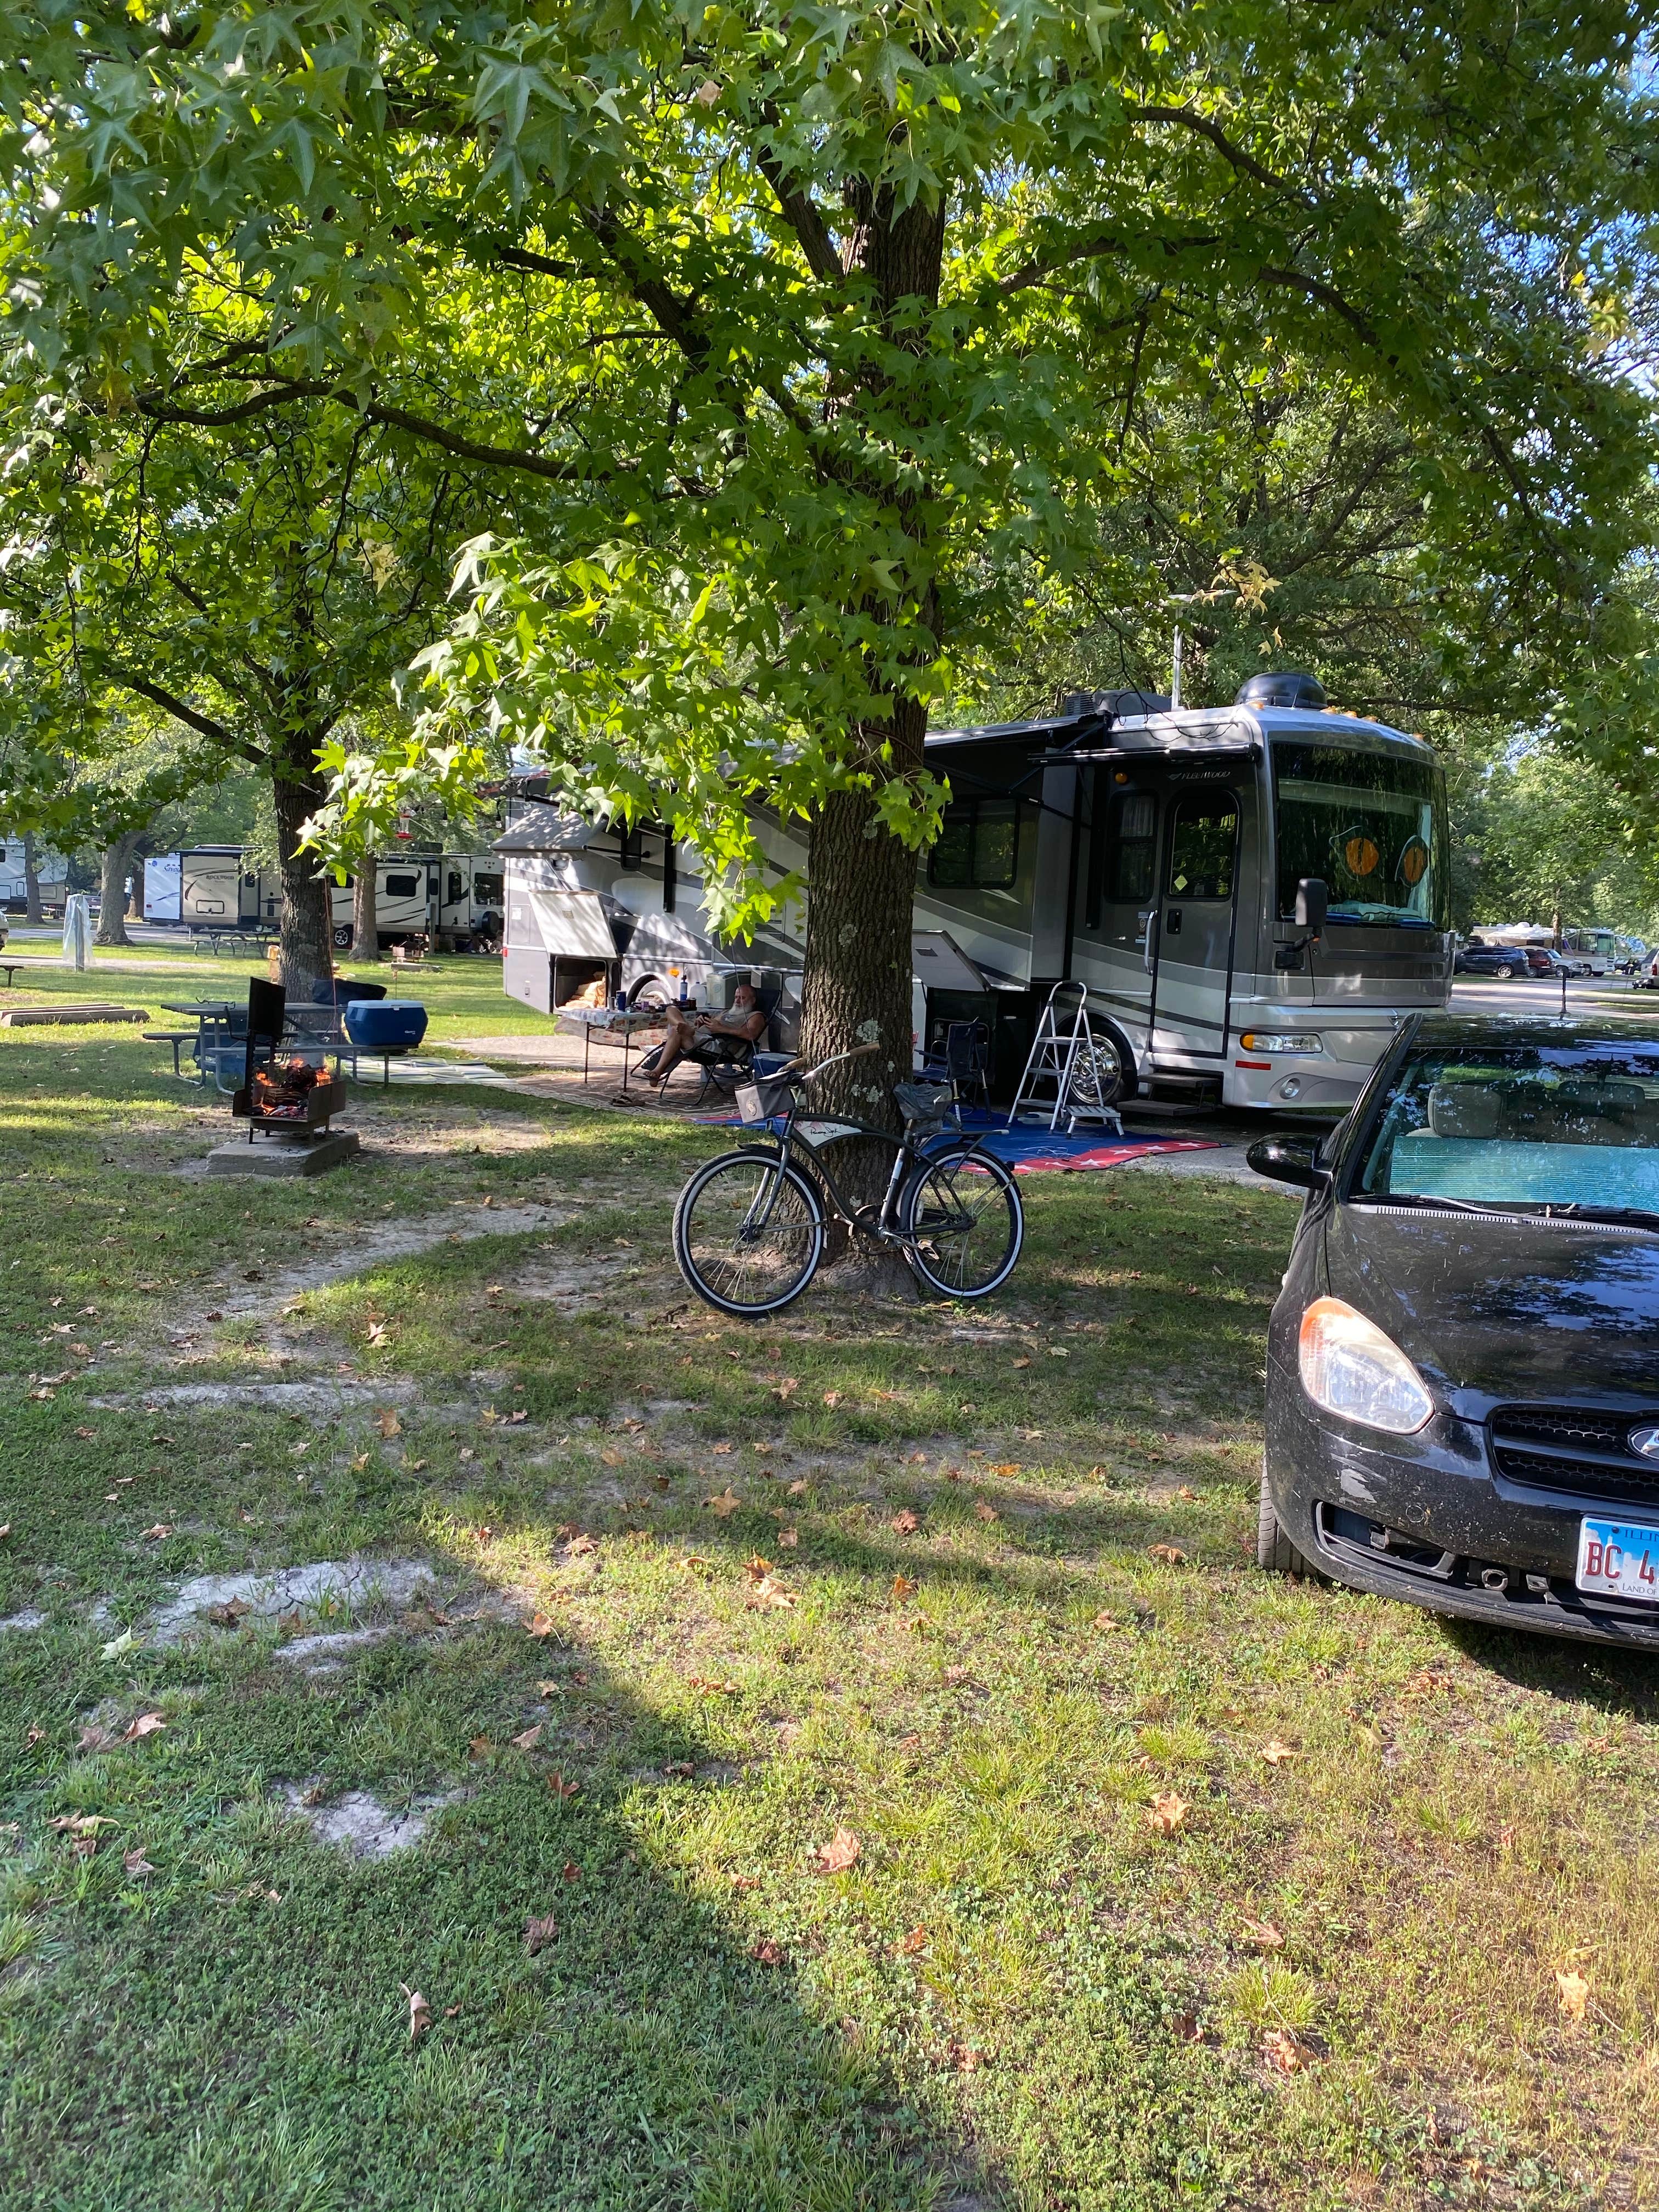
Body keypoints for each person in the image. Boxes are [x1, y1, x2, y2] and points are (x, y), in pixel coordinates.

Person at [642, 982, 767, 1088]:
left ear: (753, 1000)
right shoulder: (727, 1012)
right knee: (671, 1009)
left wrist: (722, 1028)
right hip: (701, 1038)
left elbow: (750, 1035)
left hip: (719, 1046)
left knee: (677, 1032)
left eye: (742, 998)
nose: (738, 1001)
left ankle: (658, 1071)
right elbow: (711, 1025)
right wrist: (700, 1023)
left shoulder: (756, 1016)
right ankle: (685, 1028)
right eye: (736, 997)